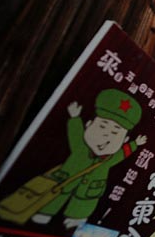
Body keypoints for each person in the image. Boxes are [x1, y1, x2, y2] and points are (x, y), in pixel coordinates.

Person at [23, 89, 146, 229]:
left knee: (85, 201)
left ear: (125, 139)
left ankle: (76, 217)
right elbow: (76, 134)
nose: (106, 135)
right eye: (102, 126)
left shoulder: (108, 159)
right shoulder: (81, 148)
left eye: (114, 132)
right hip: (67, 179)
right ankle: (45, 211)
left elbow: (121, 154)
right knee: (57, 194)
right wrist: (75, 118)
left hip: (90, 189)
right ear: (88, 125)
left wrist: (135, 144)